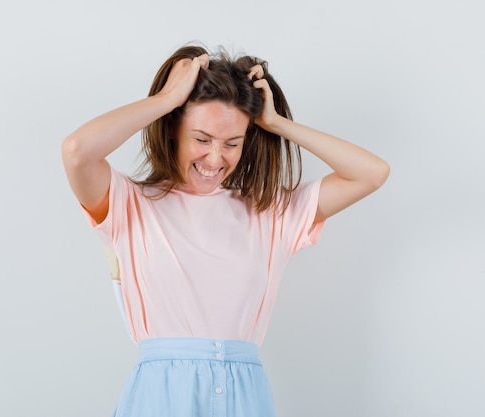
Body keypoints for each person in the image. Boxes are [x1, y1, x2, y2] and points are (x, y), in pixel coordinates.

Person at [61, 42, 390, 417]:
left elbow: (372, 173)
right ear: (173, 128)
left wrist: (276, 123)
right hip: (160, 397)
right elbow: (77, 151)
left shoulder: (270, 214)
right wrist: (169, 98)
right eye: (201, 139)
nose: (215, 158)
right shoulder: (129, 205)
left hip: (246, 398)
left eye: (232, 143)